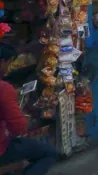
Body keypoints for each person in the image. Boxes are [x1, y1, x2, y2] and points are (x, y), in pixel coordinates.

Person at [0, 46, 56, 175]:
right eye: (8, 64)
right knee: (49, 153)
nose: (7, 68)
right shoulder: (4, 89)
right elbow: (19, 128)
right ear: (2, 62)